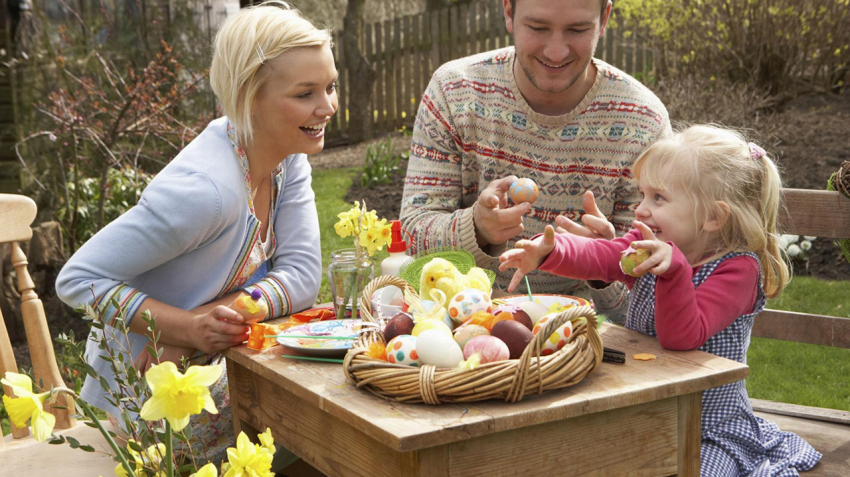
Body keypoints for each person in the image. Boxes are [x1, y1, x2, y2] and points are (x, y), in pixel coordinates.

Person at [55, 1, 336, 469]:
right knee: (319, 440)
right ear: (249, 97)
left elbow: (305, 276)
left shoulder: (289, 158)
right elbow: (77, 279)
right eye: (306, 93)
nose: (327, 106)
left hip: (212, 376)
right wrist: (186, 328)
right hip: (142, 410)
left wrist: (209, 319)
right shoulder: (206, 193)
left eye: (330, 86)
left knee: (319, 431)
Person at [499, 125, 822, 476]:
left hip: (707, 429)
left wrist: (674, 271)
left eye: (659, 198)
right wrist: (550, 251)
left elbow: (682, 337)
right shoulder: (648, 244)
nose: (640, 210)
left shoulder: (738, 270)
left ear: (713, 217)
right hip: (642, 414)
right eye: (643, 195)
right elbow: (603, 256)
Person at [399, 0, 671, 320]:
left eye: (577, 29)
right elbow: (414, 233)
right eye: (538, 28)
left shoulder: (642, 123)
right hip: (463, 323)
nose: (556, 52)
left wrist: (604, 264)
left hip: (585, 338)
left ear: (605, 18)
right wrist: (476, 229)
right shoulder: (455, 91)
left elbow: (653, 302)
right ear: (508, 12)